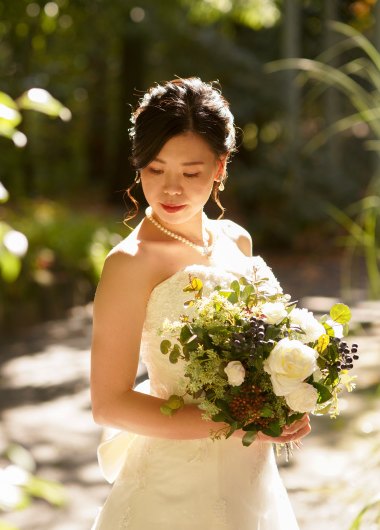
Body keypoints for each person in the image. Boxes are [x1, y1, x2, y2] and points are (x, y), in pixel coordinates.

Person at [90, 78, 310, 529]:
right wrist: (240, 422)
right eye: (154, 169)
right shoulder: (129, 264)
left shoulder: (237, 240)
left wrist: (288, 402)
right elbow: (109, 405)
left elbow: (262, 350)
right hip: (173, 488)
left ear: (219, 165)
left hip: (250, 477)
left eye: (190, 173)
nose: (171, 189)